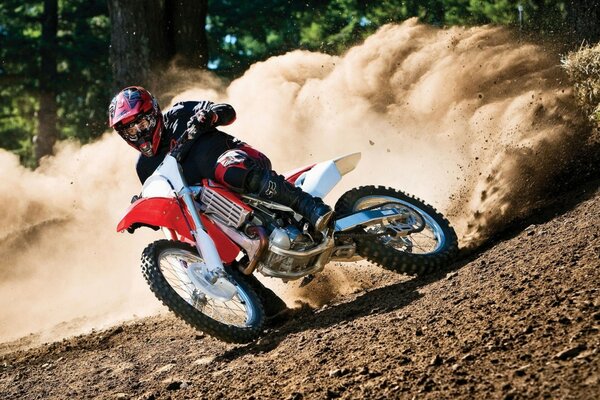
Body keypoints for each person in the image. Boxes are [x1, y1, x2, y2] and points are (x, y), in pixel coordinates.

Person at [108, 86, 333, 231]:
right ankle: (261, 298)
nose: (139, 132)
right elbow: (163, 207)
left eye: (142, 122)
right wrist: (142, 211)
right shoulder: (145, 167)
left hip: (240, 161)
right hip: (213, 207)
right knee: (192, 226)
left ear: (154, 112)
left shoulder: (179, 113)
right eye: (130, 130)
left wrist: (210, 115)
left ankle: (309, 206)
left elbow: (228, 111)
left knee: (228, 166)